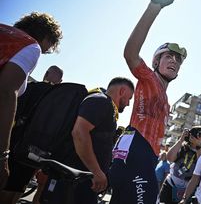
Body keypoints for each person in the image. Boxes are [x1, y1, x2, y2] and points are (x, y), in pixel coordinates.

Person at [108, 0, 187, 203]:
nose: (174, 61)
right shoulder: (149, 78)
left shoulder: (167, 98)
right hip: (136, 149)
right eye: (168, 56)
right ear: (156, 62)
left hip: (147, 155)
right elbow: (130, 53)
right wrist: (155, 7)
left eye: (178, 60)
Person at [39, 77, 134, 204]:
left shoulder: (106, 105)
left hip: (81, 181)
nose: (128, 103)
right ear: (122, 91)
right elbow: (79, 133)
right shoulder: (101, 101)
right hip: (73, 181)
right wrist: (96, 171)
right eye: (129, 98)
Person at [0, 12, 62, 190]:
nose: (45, 51)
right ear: (47, 37)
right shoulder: (30, 45)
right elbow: (6, 92)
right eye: (50, 46)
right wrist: (2, 155)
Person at [159, 126, 201, 203]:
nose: (196, 136)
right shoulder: (182, 147)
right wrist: (181, 139)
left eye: (200, 135)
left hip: (187, 190)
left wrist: (198, 145)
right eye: (194, 133)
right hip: (171, 184)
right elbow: (169, 158)